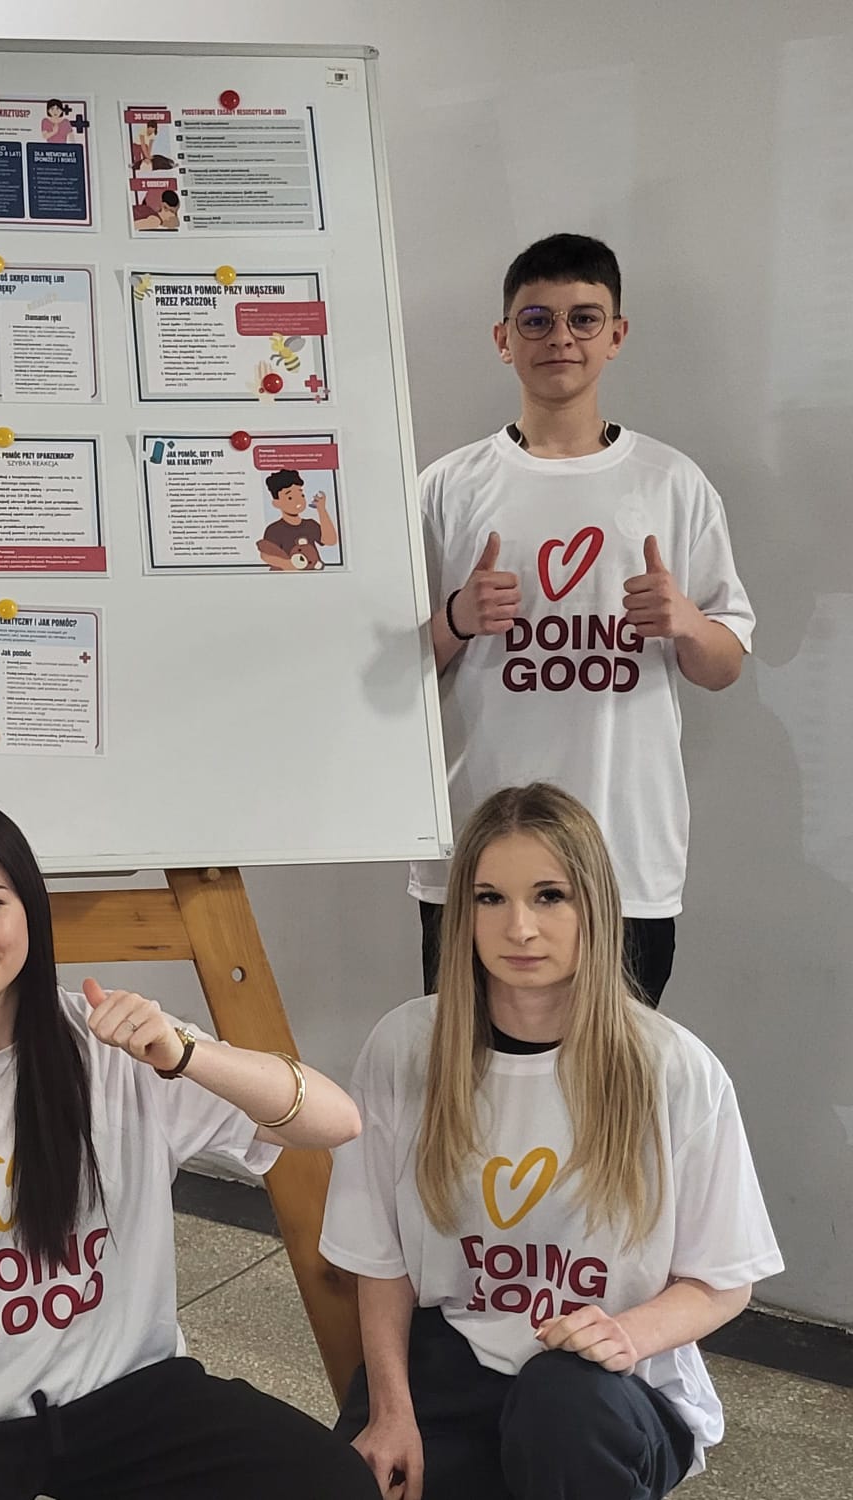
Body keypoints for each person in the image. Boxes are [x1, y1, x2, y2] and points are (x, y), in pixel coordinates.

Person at [0, 796, 374, 1499]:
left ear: (30, 908)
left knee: (331, 1484)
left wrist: (187, 1054)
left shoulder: (112, 1045)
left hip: (128, 1400)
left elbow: (336, 1121)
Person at [325, 783, 782, 1500]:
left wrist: (626, 1335)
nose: (520, 928)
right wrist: (390, 1411)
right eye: (490, 898)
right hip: (456, 1356)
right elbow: (380, 1261)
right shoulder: (406, 1046)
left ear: (593, 906)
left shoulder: (673, 1067)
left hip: (611, 1386)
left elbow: (723, 1280)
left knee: (560, 1406)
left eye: (549, 896)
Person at [415, 234, 753, 1004]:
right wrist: (458, 618)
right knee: (468, 1070)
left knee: (614, 1073)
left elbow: (725, 664)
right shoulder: (447, 488)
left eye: (583, 319)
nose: (560, 338)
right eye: (535, 320)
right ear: (503, 339)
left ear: (616, 335)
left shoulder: (672, 484)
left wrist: (685, 622)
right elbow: (384, 676)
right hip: (476, 856)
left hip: (623, 857)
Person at [257, 467, 337, 571]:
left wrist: (321, 509)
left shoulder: (310, 525)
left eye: (301, 495)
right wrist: (288, 565)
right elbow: (266, 555)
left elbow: (330, 540)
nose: (298, 500)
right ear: (276, 503)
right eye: (290, 497)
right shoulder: (274, 529)